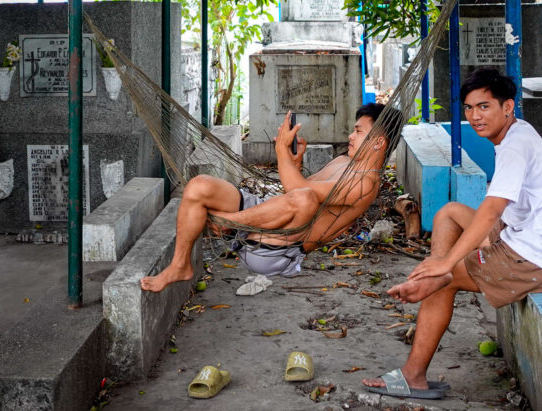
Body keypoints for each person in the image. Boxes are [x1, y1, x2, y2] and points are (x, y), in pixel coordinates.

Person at [363, 68, 542, 398]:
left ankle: (414, 375)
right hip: (533, 238)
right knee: (449, 213)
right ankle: (437, 273)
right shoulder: (515, 134)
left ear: (507, 107)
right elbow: (494, 213)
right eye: (469, 108)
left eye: (484, 107)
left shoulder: (515, 145)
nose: (475, 116)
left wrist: (447, 266)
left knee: (441, 283)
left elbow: (492, 210)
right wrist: (444, 262)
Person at [141, 103, 402, 292]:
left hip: (277, 247)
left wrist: (280, 153)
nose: (350, 136)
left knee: (304, 200)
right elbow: (298, 187)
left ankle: (230, 222)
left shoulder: (366, 184)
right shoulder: (344, 161)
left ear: (378, 142)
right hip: (266, 218)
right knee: (199, 186)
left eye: (358, 131)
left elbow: (300, 195)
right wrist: (293, 163)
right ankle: (180, 265)